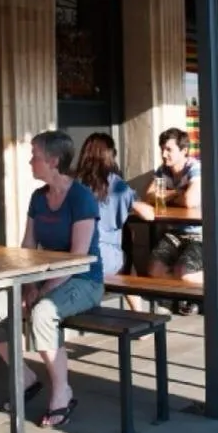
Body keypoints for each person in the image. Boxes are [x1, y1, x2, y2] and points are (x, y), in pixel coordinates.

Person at [0, 130, 103, 429]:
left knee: (44, 313)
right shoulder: (38, 198)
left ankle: (62, 391)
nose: (30, 161)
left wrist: (43, 289)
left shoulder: (81, 198)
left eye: (34, 156)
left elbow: (77, 258)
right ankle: (25, 378)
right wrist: (28, 284)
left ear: (54, 160)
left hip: (84, 280)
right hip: (42, 278)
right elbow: (27, 247)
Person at [74, 133, 154, 311]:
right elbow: (149, 215)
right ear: (110, 156)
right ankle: (140, 315)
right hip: (106, 260)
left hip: (74, 257)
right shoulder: (115, 184)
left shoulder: (74, 184)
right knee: (128, 265)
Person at [144, 128, 203, 311]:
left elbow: (190, 201)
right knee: (154, 269)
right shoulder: (163, 171)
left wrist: (166, 195)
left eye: (169, 150)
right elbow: (149, 197)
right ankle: (184, 298)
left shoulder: (195, 168)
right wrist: (178, 192)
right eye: (162, 149)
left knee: (184, 273)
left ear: (184, 151)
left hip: (200, 233)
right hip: (174, 233)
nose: (163, 154)